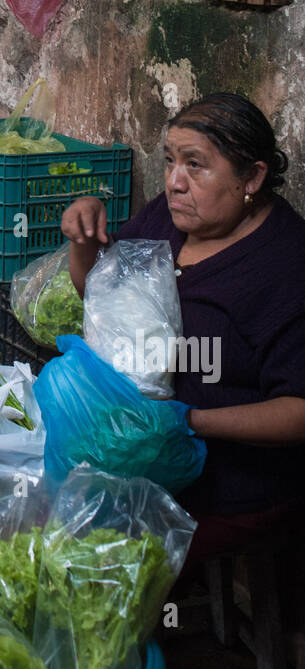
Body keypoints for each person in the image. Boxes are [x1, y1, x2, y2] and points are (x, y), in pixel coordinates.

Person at [61, 93, 305, 564]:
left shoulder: (286, 270)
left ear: (251, 177)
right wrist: (82, 243)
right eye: (171, 161)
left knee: (90, 562)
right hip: (142, 448)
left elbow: (298, 410)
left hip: (229, 482)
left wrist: (188, 421)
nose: (174, 182)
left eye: (195, 165)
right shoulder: (170, 220)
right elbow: (102, 304)